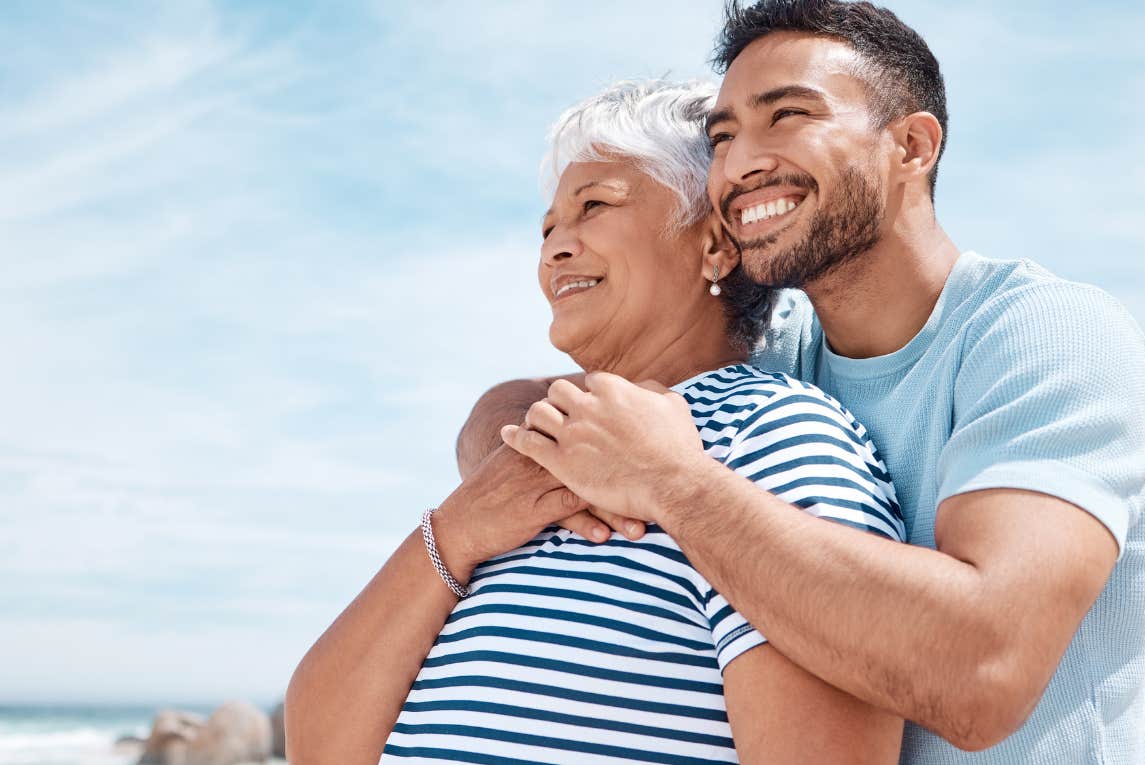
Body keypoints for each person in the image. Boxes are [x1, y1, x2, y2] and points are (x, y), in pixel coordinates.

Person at [480, 1, 1145, 763]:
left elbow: (983, 672)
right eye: (724, 135)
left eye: (788, 116)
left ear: (912, 145)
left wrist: (671, 482)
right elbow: (514, 407)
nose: (738, 165)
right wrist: (537, 452)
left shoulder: (1046, 333)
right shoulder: (776, 356)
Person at [287, 79, 905, 765]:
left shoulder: (770, 435)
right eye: (549, 227)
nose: (554, 249)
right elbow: (320, 745)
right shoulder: (529, 454)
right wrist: (458, 529)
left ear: (714, 246)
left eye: (594, 207)